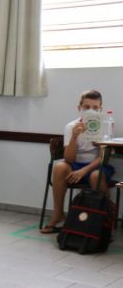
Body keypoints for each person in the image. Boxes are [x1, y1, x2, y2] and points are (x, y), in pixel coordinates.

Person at [42, 89, 114, 233]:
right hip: (75, 164)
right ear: (79, 108)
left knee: (95, 176)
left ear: (101, 108)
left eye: (95, 108)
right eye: (86, 107)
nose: (91, 111)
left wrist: (84, 170)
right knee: (59, 167)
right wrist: (74, 137)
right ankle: (58, 214)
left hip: (96, 166)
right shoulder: (71, 126)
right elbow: (69, 159)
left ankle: (103, 218)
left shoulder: (106, 126)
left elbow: (103, 158)